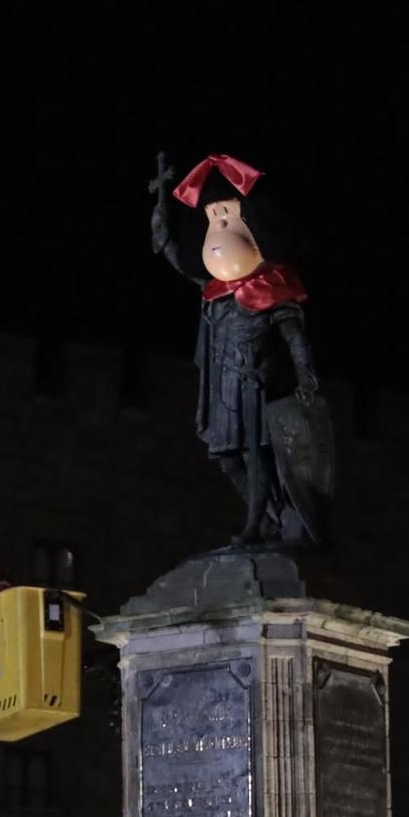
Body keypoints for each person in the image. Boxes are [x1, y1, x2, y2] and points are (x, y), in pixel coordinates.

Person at [151, 150, 332, 548]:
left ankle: (256, 524)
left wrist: (306, 378)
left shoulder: (273, 289)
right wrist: (161, 222)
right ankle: (268, 518)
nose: (219, 229)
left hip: (257, 385)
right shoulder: (215, 295)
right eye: (215, 217)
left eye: (227, 216)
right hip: (225, 387)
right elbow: (176, 260)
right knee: (228, 457)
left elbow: (295, 339)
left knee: (257, 453)